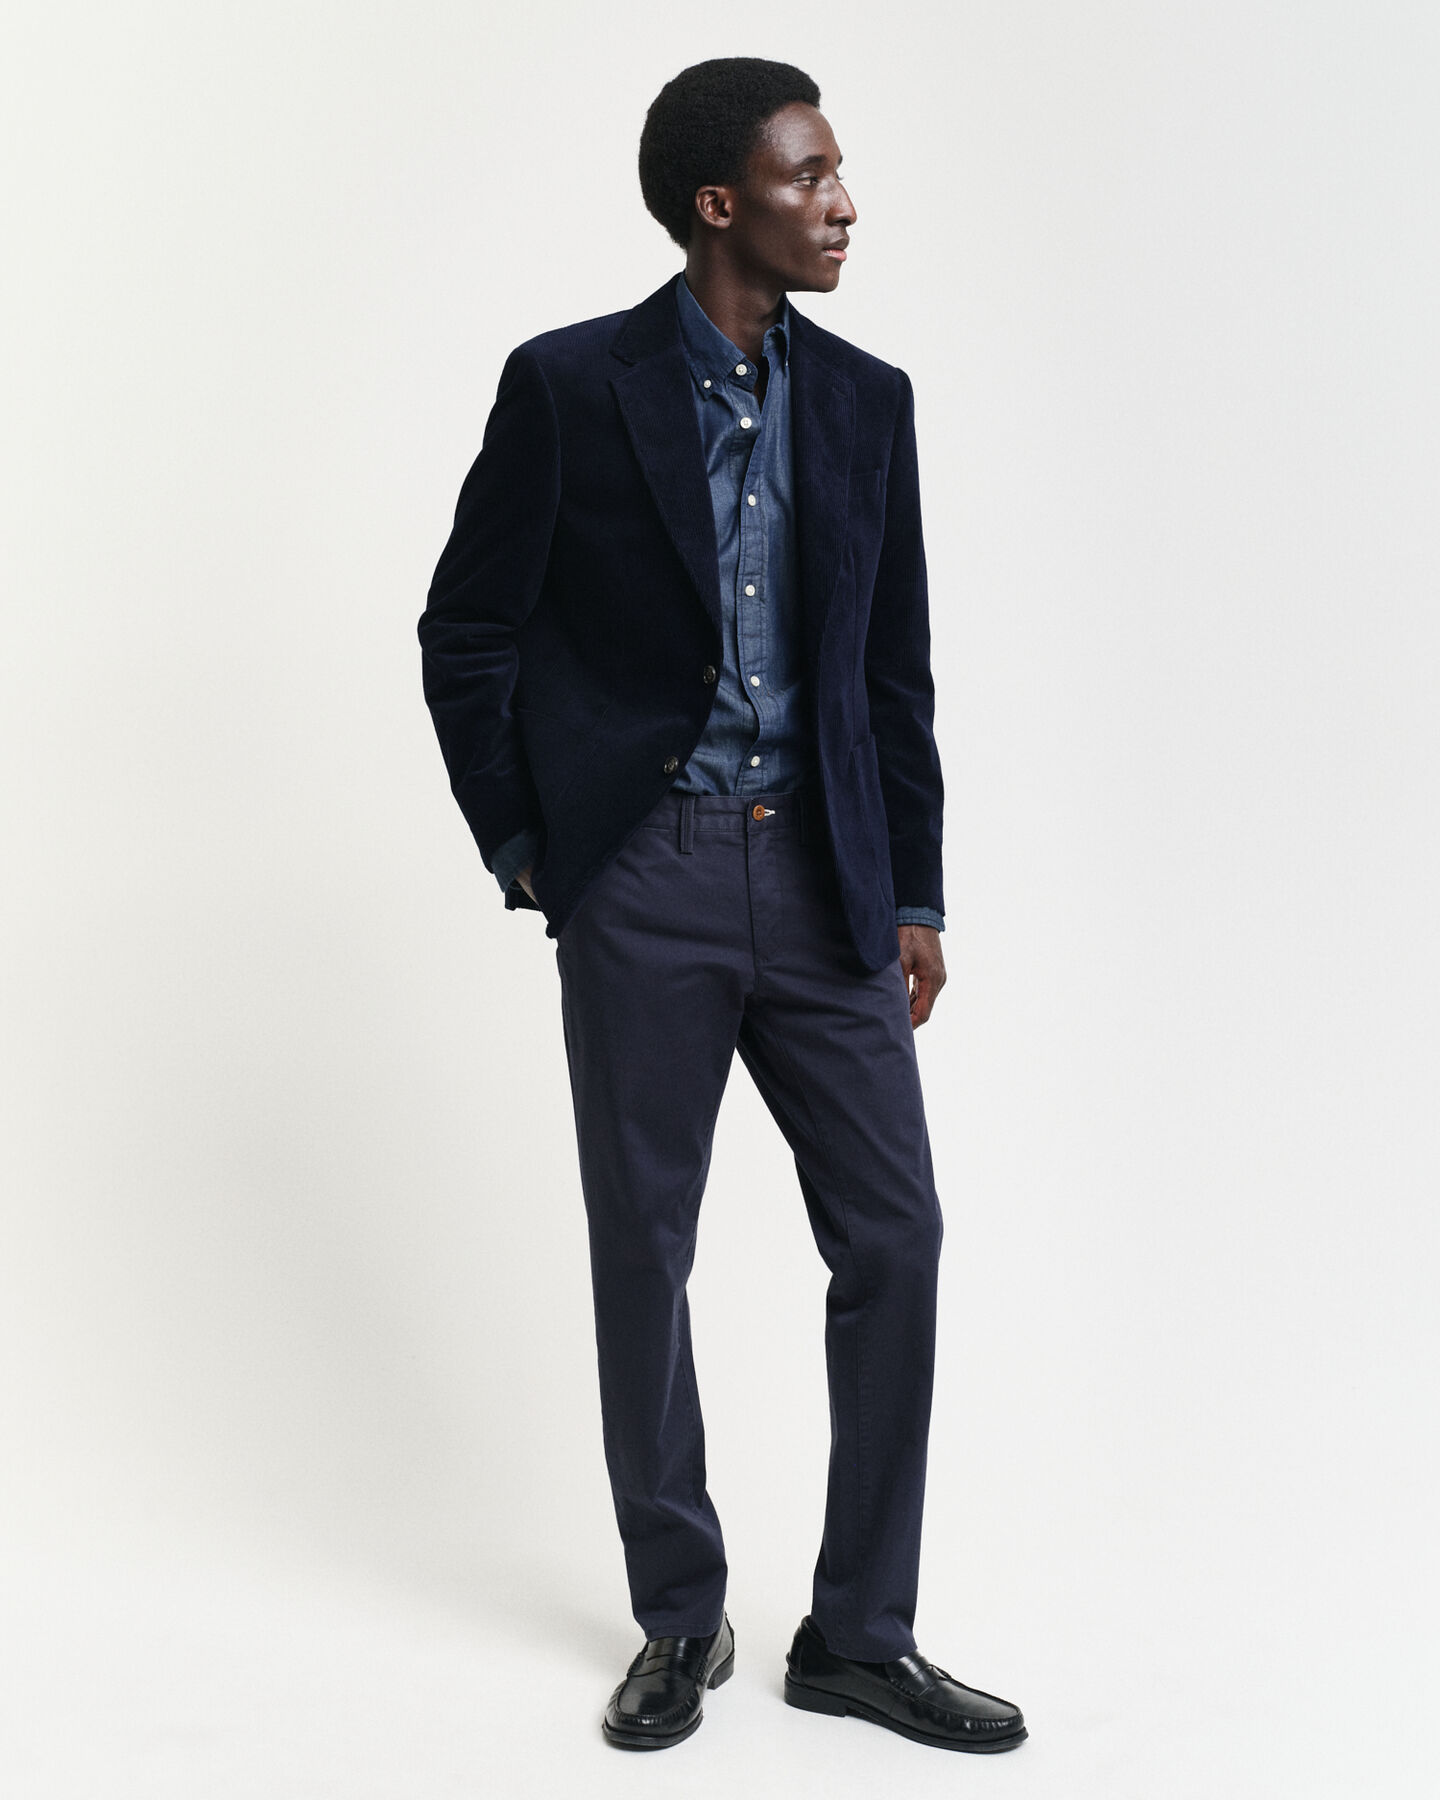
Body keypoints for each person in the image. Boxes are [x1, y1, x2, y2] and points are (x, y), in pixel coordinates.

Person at [418, 56, 1027, 1756]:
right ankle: (680, 1615)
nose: (842, 203)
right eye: (810, 176)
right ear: (718, 203)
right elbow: (466, 631)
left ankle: (860, 1636)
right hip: (648, 875)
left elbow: (892, 669)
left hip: (828, 879)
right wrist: (535, 847)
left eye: (837, 174)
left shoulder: (868, 403)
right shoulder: (568, 386)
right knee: (647, 1246)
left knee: (895, 1237)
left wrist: (913, 887)